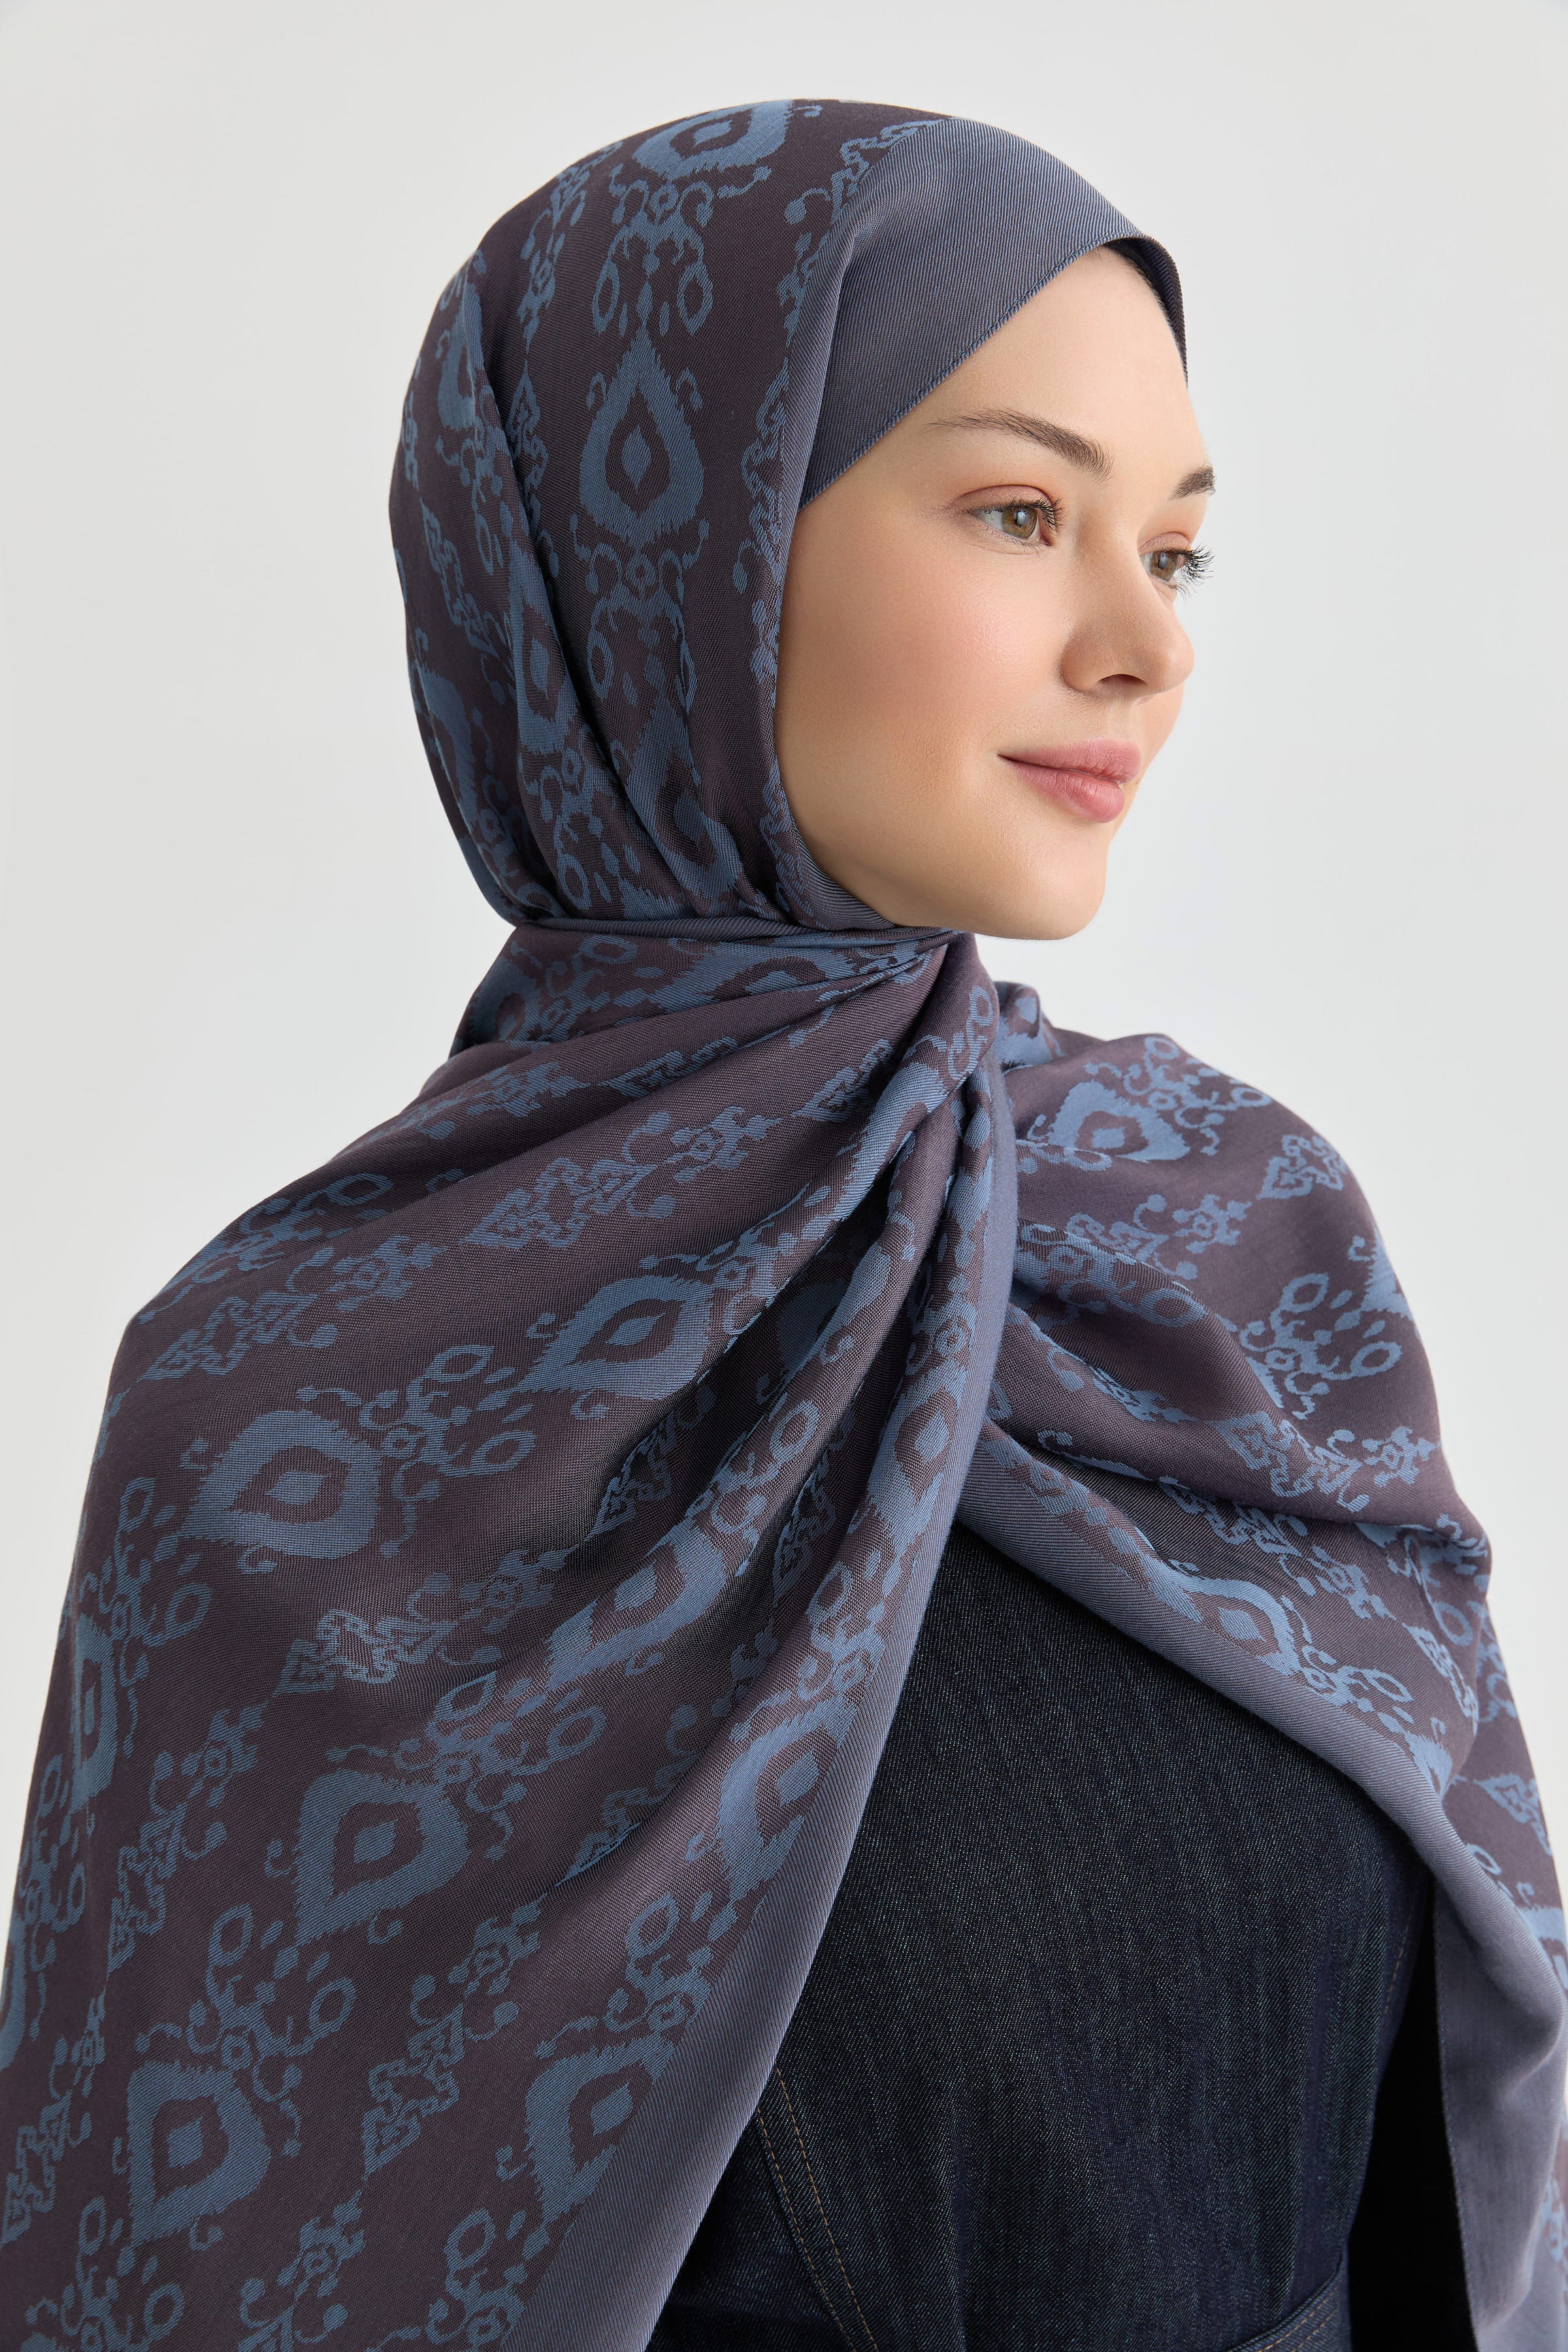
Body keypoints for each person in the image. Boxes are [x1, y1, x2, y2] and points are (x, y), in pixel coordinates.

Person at [1, 100, 1561, 2352]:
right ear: (674, 567)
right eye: (1022, 513)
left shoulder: (1220, 1241)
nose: (1146, 643)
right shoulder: (274, 1433)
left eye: (1181, 550)